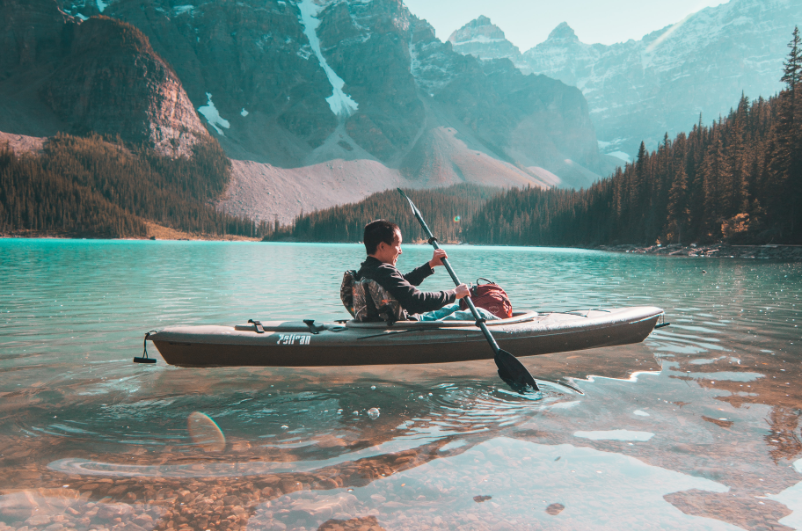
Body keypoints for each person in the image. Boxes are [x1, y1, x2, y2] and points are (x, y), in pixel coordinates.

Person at [356, 220, 495, 321]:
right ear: (382, 247)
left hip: (404, 320)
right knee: (479, 313)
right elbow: (418, 301)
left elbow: (401, 285)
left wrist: (430, 265)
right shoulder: (384, 271)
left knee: (457, 308)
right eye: (398, 245)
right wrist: (453, 293)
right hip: (412, 326)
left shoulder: (367, 269)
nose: (401, 251)